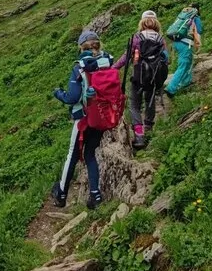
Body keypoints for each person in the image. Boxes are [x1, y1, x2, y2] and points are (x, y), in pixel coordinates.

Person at [51, 30, 115, 210]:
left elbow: (73, 97)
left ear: (81, 47)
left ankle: (61, 193)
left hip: (83, 118)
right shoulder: (108, 61)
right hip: (102, 116)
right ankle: (95, 195)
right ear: (98, 44)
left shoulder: (80, 66)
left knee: (72, 154)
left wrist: (58, 93)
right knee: (90, 153)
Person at [113, 11, 169, 151]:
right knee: (150, 102)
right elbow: (166, 60)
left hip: (138, 76)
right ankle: (148, 129)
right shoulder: (160, 39)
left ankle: (139, 135)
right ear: (156, 23)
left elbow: (126, 57)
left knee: (134, 105)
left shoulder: (137, 38)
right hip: (153, 77)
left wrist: (114, 68)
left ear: (142, 22)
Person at [164, 3, 203, 97]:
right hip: (186, 44)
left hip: (177, 42)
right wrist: (198, 43)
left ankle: (186, 82)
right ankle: (171, 88)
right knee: (183, 65)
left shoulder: (182, 16)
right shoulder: (195, 18)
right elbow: (198, 31)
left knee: (188, 63)